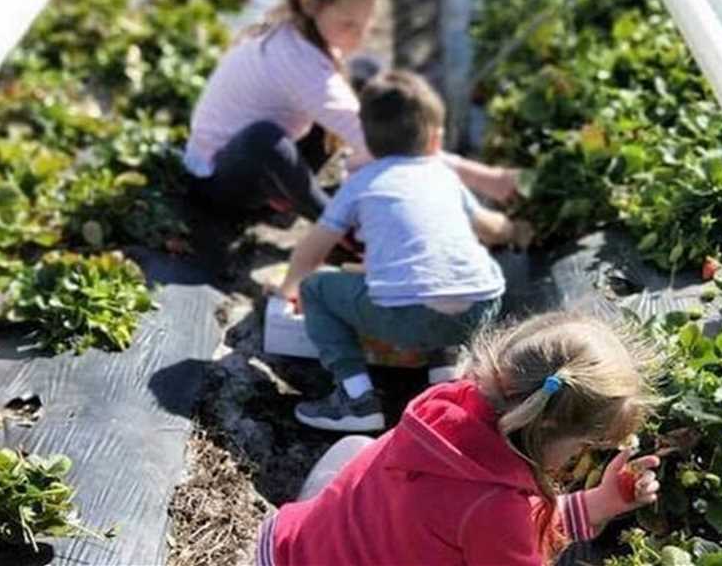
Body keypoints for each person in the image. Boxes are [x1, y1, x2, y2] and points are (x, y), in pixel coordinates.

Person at [255, 311, 662, 566]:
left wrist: (599, 504)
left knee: (356, 449)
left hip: (285, 546)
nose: (577, 460)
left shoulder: (445, 405)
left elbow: (478, 521)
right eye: (582, 448)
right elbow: (498, 526)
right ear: (550, 427)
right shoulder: (497, 510)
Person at [184, 0, 520, 226]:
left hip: (263, 164)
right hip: (220, 181)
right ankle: (337, 230)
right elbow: (391, 141)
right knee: (267, 141)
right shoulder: (297, 62)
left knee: (367, 77)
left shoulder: (300, 29)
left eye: (366, 25)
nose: (358, 37)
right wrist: (489, 180)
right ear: (310, 4)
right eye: (348, 25)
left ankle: (325, 182)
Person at [273, 70, 530, 432]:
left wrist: (287, 292)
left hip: (403, 315)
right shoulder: (442, 174)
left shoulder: (362, 182)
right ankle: (446, 368)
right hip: (480, 308)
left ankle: (356, 398)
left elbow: (312, 250)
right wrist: (518, 229)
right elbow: (491, 227)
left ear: (367, 139)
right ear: (435, 139)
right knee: (441, 275)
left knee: (316, 289)